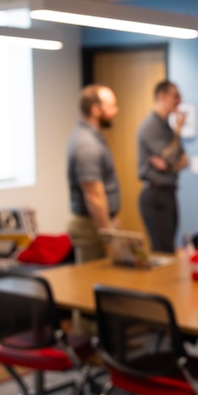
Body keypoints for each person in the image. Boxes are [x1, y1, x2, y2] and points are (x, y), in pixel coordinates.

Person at [66, 84, 120, 263]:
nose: (116, 111)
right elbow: (94, 196)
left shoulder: (92, 137)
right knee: (91, 282)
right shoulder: (87, 144)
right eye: (111, 106)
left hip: (98, 223)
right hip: (91, 226)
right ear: (96, 110)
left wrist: (113, 217)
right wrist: (107, 234)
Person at [136, 79, 189, 253]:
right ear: (161, 96)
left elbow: (183, 160)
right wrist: (179, 131)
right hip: (155, 195)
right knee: (163, 250)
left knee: (169, 250)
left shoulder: (166, 127)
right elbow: (172, 159)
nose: (179, 101)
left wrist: (169, 163)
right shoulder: (151, 126)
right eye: (176, 96)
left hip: (169, 192)